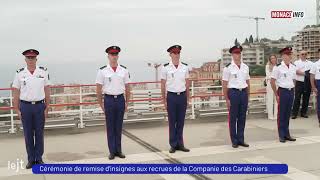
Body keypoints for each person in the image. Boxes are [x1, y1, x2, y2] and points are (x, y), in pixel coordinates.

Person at [12, 49, 51, 169]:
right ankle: (30, 159)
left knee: (39, 133)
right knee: (28, 134)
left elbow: (47, 90)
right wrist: (17, 109)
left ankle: (39, 158)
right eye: (28, 58)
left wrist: (47, 107)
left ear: (36, 59)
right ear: (25, 59)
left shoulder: (43, 72)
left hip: (39, 106)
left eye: (32, 58)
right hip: (25, 107)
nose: (30, 60)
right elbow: (16, 92)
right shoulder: (20, 73)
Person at [96, 46, 130, 160]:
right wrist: (101, 103)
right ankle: (112, 151)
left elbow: (127, 87)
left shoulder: (124, 70)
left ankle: (118, 150)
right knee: (110, 127)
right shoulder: (102, 71)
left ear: (118, 56)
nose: (114, 56)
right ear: (108, 56)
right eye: (112, 54)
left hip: (120, 99)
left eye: (116, 54)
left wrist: (127, 102)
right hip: (109, 100)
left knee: (119, 127)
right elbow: (98, 88)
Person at [161, 45, 190, 153]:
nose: (176, 55)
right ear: (170, 54)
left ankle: (180, 144)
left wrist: (188, 98)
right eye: (174, 53)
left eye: (178, 53)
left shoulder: (185, 67)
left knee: (181, 121)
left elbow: (187, 84)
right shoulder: (165, 68)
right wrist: (164, 100)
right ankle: (173, 144)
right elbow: (163, 85)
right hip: (171, 97)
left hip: (182, 96)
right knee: (172, 122)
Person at [222, 45, 250, 148]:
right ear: (232, 55)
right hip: (233, 93)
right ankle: (234, 140)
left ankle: (241, 139)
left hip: (243, 93)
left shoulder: (245, 67)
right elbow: (224, 84)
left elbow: (248, 82)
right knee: (233, 118)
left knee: (242, 117)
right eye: (235, 53)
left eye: (239, 53)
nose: (237, 55)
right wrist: (227, 99)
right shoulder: (228, 68)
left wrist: (248, 96)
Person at [270, 47, 297, 143]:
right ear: (283, 56)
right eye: (288, 55)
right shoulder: (277, 67)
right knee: (281, 114)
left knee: (287, 114)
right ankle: (281, 135)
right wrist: (276, 94)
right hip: (282, 91)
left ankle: (287, 134)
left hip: (290, 91)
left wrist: (293, 88)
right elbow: (272, 81)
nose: (289, 56)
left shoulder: (293, 67)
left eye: (290, 55)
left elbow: (294, 79)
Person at [291, 50, 313, 119]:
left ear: (307, 55)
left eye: (305, 54)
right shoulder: (296, 62)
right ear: (299, 55)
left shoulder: (311, 63)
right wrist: (306, 73)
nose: (304, 55)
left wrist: (304, 73)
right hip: (299, 82)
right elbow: (296, 71)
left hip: (307, 82)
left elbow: (312, 72)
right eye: (302, 54)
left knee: (306, 99)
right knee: (297, 98)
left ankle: (303, 113)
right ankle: (294, 114)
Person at [265, 55, 278, 120]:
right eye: (271, 58)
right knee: (270, 99)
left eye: (274, 58)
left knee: (276, 99)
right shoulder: (267, 66)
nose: (273, 59)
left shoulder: (278, 66)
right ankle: (270, 115)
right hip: (270, 83)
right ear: (270, 59)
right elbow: (268, 76)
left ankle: (276, 115)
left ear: (276, 59)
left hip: (277, 83)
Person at [310, 49, 320, 127]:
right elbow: (312, 76)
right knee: (319, 103)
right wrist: (313, 87)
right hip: (318, 83)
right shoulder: (315, 64)